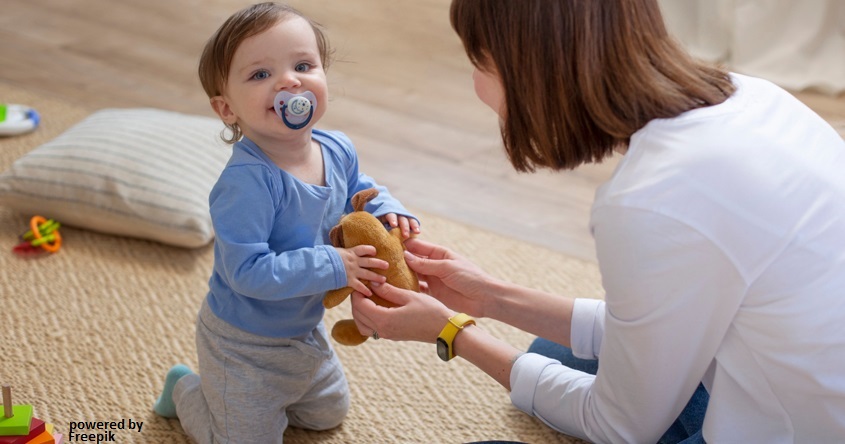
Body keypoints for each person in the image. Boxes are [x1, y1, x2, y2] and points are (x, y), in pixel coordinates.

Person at [350, 1, 845, 443]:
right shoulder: (752, 95)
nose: (476, 83)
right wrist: (488, 296)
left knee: (560, 381)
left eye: (477, 61)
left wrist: (454, 332)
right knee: (555, 351)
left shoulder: (650, 202)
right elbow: (675, 317)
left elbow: (618, 426)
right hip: (802, 387)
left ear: (526, 72)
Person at [151, 3, 419, 442]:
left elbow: (359, 189)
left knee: (327, 416)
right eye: (260, 75)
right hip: (244, 344)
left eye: (303, 65)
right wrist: (334, 265)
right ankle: (186, 389)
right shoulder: (246, 186)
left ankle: (275, 395)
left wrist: (387, 208)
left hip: (304, 328)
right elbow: (246, 273)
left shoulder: (337, 147)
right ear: (226, 108)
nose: (289, 82)